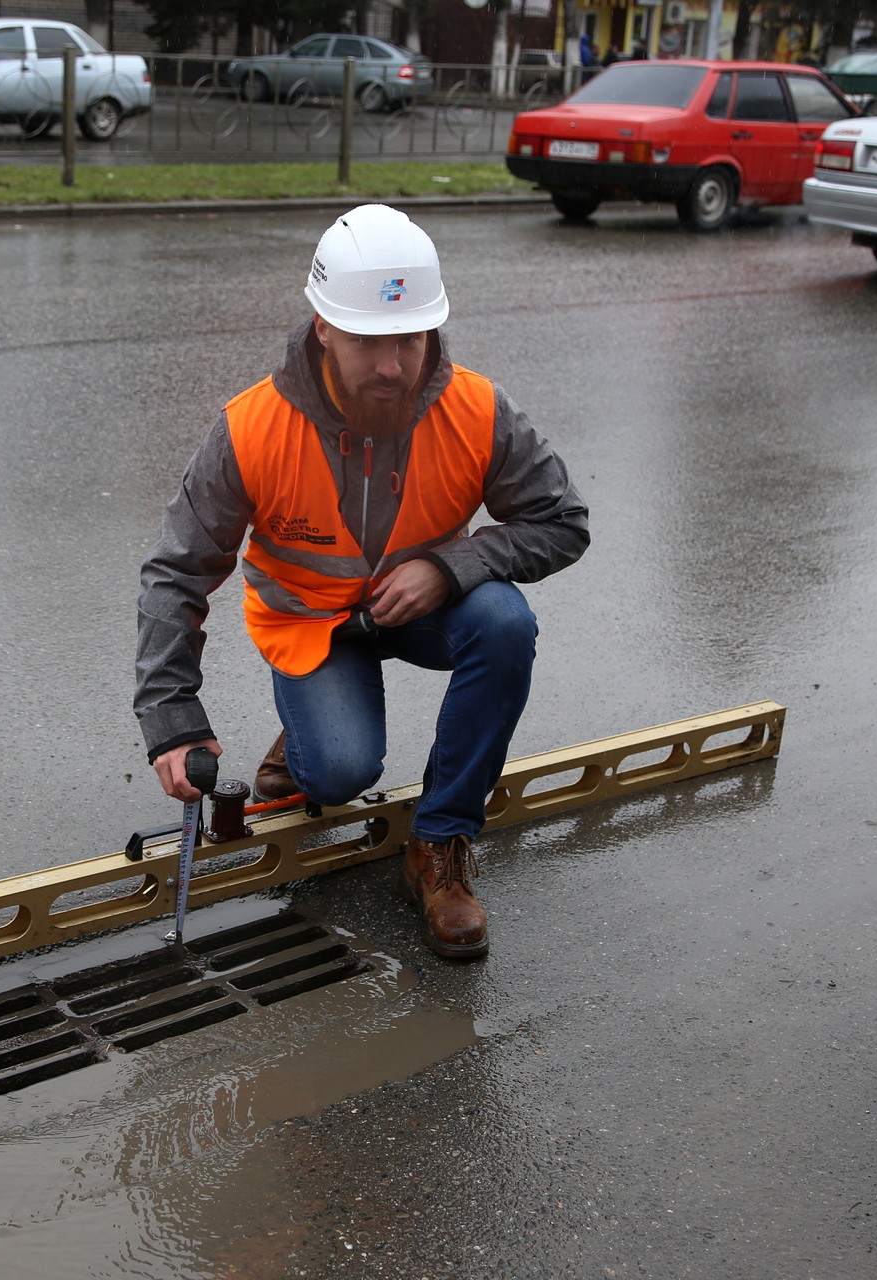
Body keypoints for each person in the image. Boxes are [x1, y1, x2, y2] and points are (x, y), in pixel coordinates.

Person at [134, 205, 588, 959]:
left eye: (410, 339)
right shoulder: (253, 427)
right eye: (370, 342)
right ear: (323, 328)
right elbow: (176, 569)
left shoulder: (477, 409)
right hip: (313, 625)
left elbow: (562, 520)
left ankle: (441, 846)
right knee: (341, 771)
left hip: (423, 609)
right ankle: (306, 744)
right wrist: (172, 717)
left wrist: (451, 568)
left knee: (505, 623)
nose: (392, 366)